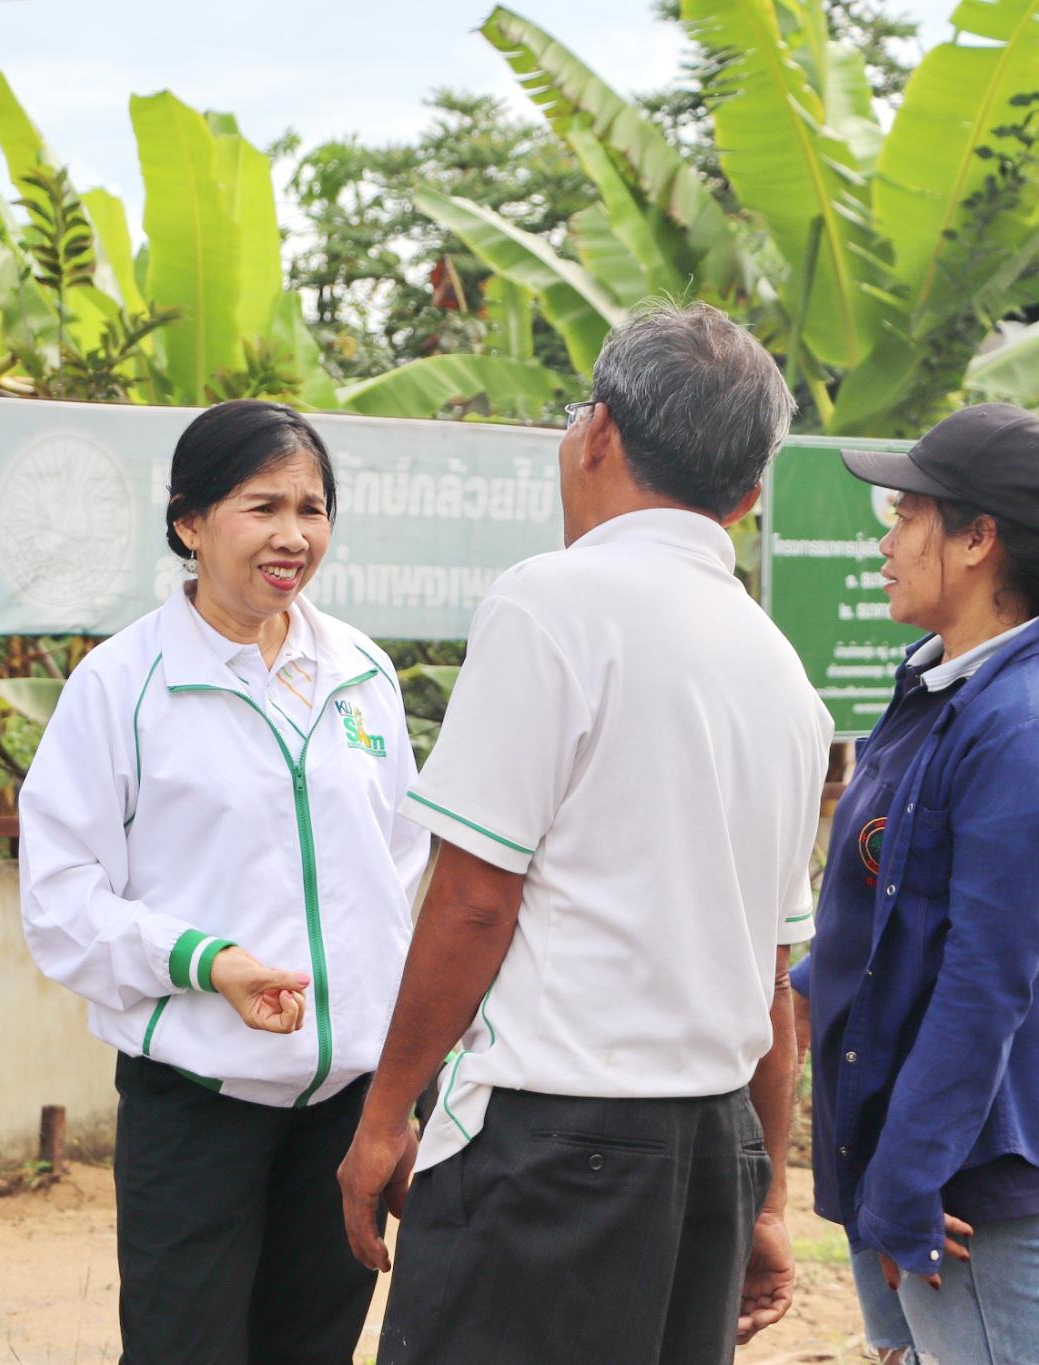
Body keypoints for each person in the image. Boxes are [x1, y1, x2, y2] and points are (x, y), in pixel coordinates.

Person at [336, 301, 834, 1364]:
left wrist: (383, 1117)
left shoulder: (550, 604)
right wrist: (763, 1196)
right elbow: (773, 982)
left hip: (555, 1146)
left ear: (595, 432)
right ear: (747, 496)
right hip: (711, 1145)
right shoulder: (780, 672)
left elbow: (473, 898)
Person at [17, 399, 429, 1365]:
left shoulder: (362, 675)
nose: (293, 536)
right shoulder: (122, 685)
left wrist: (399, 1089)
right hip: (197, 1100)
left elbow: (397, 877)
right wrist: (207, 961)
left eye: (312, 508)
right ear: (189, 522)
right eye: (262, 507)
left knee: (314, 1349)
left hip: (344, 1108)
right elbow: (60, 900)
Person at [793, 403, 1039, 1365]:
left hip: (961, 1147)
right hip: (895, 1115)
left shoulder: (1028, 733)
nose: (886, 541)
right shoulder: (940, 681)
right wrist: (800, 996)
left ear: (978, 538)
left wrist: (908, 1176)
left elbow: (986, 981)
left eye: (906, 515)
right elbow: (888, 899)